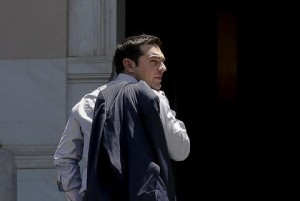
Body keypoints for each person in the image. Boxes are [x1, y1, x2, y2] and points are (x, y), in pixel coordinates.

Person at [54, 34, 190, 201]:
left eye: (162, 61)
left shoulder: (87, 103)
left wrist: (78, 197)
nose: (163, 67)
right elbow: (181, 150)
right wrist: (164, 104)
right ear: (129, 65)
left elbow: (64, 158)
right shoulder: (154, 98)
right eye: (154, 61)